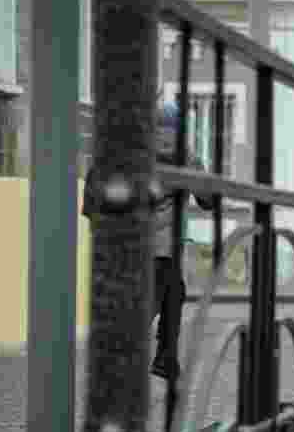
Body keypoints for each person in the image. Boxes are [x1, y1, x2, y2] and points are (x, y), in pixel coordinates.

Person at [82, 101, 214, 380]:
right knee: (154, 303)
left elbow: (95, 181)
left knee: (168, 296)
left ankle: (161, 359)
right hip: (161, 249)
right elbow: (208, 200)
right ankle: (140, 360)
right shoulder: (184, 158)